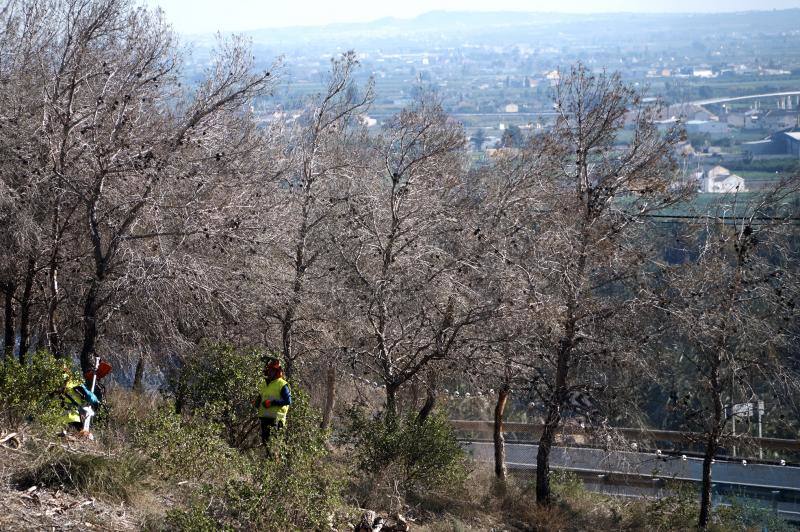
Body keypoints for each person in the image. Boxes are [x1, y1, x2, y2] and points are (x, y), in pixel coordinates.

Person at [256, 357, 291, 445]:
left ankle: (275, 458)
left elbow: (288, 401)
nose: (270, 372)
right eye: (269, 370)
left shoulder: (282, 384)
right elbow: (262, 396)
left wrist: (272, 403)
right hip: (265, 418)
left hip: (276, 420)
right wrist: (257, 402)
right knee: (266, 443)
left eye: (272, 370)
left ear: (277, 372)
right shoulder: (264, 383)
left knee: (274, 444)